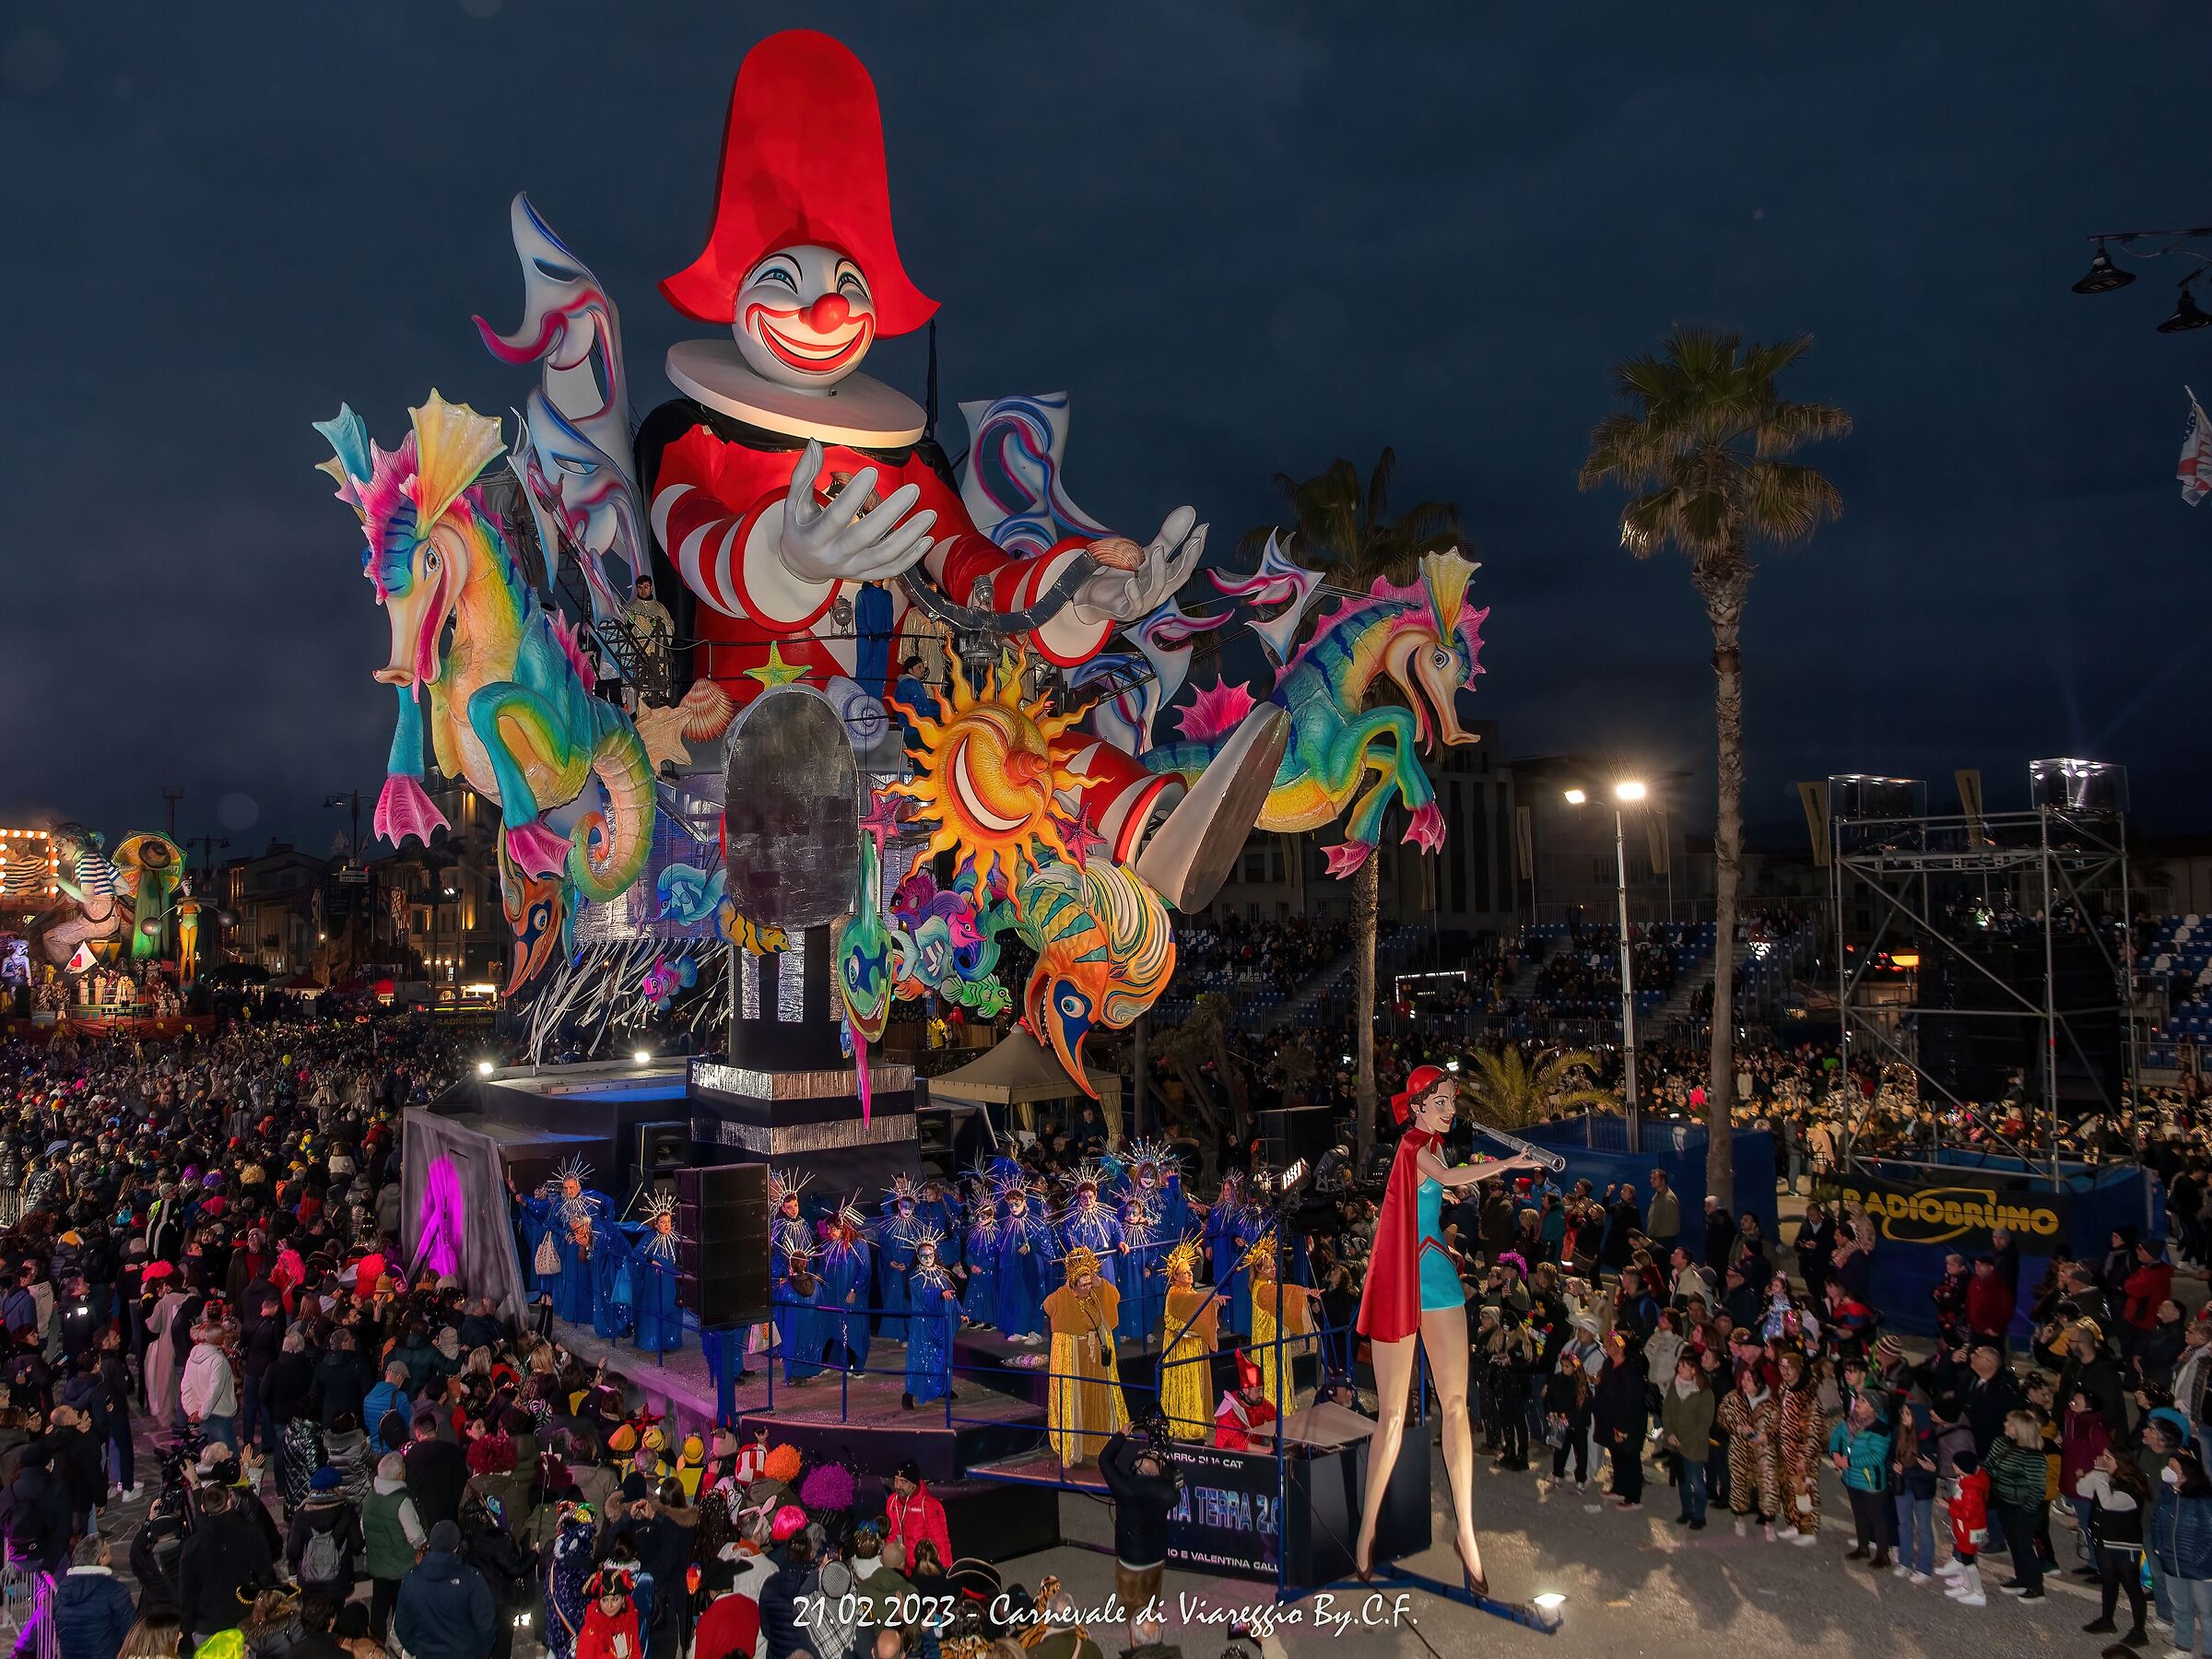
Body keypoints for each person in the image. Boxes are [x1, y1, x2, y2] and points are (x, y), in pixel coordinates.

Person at [1349, 1065, 1541, 1591]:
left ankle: (1467, 1532)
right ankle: (1367, 1530)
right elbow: (1450, 1176)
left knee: (1455, 1405)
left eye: (1452, 1101)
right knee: (1392, 1415)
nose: (1450, 1109)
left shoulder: (1430, 1147)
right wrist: (1508, 1162)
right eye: (1441, 1102)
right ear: (1416, 1107)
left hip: (1435, 1274)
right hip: (1403, 1279)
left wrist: (1440, 1193)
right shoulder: (1415, 1145)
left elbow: (1435, 1187)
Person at [1097, 1430, 1180, 1656]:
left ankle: (1138, 1643)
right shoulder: (1167, 1493)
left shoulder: (1124, 1487)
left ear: (1136, 1469)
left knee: (1131, 1608)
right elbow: (1176, 1479)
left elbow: (1104, 1460)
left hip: (1130, 1560)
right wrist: (1163, 1460)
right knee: (1151, 1605)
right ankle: (1151, 1637)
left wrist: (1121, 1435)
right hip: (1156, 1558)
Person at [1042, 1248, 1125, 1468]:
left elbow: (1115, 1297)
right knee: (1076, 1400)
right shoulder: (1062, 1296)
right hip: (1074, 1357)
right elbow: (1048, 1306)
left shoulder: (1096, 1294)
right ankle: (1072, 1447)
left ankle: (1099, 1443)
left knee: (1097, 1395)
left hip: (1095, 1358)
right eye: (1084, 1285)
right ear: (1073, 1284)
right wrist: (1065, 1290)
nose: (1088, 1288)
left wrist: (1099, 1283)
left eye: (1090, 1284)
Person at [177, 1483, 276, 1645]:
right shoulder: (251, 1531)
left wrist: (187, 1627)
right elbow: (265, 1574)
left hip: (208, 1624)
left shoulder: (193, 1546)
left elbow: (187, 1591)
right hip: (245, 1617)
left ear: (203, 1508)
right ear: (229, 1502)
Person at [2077, 1447, 2151, 1645]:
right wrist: (2096, 1473)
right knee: (2109, 1581)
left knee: (2131, 1586)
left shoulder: (2132, 1486)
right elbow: (2082, 1490)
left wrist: (2101, 1474)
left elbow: (2108, 1503)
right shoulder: (2108, 1479)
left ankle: (2139, 1631)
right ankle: (2107, 1620)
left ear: (2121, 1462)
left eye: (2108, 1457)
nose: (2103, 1460)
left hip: (2125, 1545)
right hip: (2104, 1541)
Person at [393, 1520, 495, 1659]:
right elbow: (486, 1625)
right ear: (456, 1547)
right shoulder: (472, 1578)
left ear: (431, 1544)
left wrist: (417, 1648)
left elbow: (402, 1624)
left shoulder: (411, 1578)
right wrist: (481, 1653)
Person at [2151, 1445, 2212, 1656]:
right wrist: (2159, 1548)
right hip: (2173, 1564)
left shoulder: (2203, 1498)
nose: (2167, 1470)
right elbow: (2156, 1521)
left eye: (2173, 1466)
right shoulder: (2168, 1494)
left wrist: (2199, 1558)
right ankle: (2183, 1647)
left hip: (2200, 1569)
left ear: (2186, 1471)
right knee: (2180, 1608)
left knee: (2207, 1613)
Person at [1985, 1408, 2051, 1601]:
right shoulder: (2002, 1444)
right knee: (2014, 1544)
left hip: (2021, 1508)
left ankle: (2035, 1586)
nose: (2005, 1425)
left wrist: (2026, 1510)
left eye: (2010, 1423)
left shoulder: (2032, 1456)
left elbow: (2037, 1488)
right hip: (2003, 1502)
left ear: (2020, 1429)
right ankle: (2021, 1578)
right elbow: (1989, 1467)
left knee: (2024, 1547)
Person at [362, 1453, 425, 1644]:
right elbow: (415, 1535)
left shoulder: (370, 1497)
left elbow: (363, 1528)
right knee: (401, 1609)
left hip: (378, 1564)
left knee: (379, 1607)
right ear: (399, 1475)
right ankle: (400, 1644)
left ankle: (376, 1645)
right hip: (401, 1567)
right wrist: (423, 1547)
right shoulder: (401, 1501)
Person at [54, 1532, 139, 1659]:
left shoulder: (62, 1590)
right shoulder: (115, 1591)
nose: (111, 1555)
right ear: (101, 1559)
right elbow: (132, 1634)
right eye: (108, 1551)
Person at [1717, 1367, 1780, 1539]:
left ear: (1759, 1382)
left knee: (1768, 1486)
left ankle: (1769, 1525)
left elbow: (1778, 1425)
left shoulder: (1771, 1402)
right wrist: (1737, 1428)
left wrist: (1766, 1436)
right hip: (1740, 1449)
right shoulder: (1733, 1398)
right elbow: (1722, 1416)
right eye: (1743, 1379)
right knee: (1739, 1485)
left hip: (1764, 1451)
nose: (1744, 1383)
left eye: (1749, 1380)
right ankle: (1739, 1521)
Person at [1659, 1354, 1715, 1530]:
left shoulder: (1705, 1393)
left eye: (1684, 1366)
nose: (1679, 1368)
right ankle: (1687, 1511)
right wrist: (1669, 1433)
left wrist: (1685, 1440)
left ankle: (1699, 1515)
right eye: (1680, 1365)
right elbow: (1667, 1412)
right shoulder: (1674, 1386)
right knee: (1683, 1480)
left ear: (1694, 1370)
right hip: (1675, 1443)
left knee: (1696, 1482)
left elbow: (1704, 1422)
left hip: (1694, 1445)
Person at [1941, 1449, 1991, 1606]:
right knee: (1966, 1560)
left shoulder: (1971, 1489)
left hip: (1969, 1529)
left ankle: (1978, 1592)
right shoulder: (1966, 1481)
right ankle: (1967, 1587)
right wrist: (1950, 1501)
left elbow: (1966, 1514)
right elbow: (1958, 1499)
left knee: (1969, 1562)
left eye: (1955, 1464)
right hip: (1967, 1529)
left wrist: (1947, 1506)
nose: (1952, 1466)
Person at [884, 1462, 949, 1578]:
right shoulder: (892, 1501)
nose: (898, 1486)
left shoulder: (929, 1505)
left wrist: (946, 1574)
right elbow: (891, 1536)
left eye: (903, 1481)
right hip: (901, 1569)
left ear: (914, 1483)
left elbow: (941, 1543)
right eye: (896, 1480)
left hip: (923, 1570)